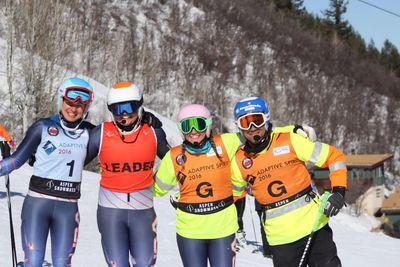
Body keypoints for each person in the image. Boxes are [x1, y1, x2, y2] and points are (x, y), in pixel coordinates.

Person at [152, 104, 312, 267]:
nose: (193, 131)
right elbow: (155, 189)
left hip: (223, 230)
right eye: (187, 126)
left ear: (207, 125)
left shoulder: (225, 143)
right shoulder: (174, 156)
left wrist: (292, 129)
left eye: (198, 124)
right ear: (181, 129)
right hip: (189, 231)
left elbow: (255, 132)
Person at [231, 97, 347, 267]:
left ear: (266, 118)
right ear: (238, 126)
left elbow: (334, 157)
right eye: (245, 123)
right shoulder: (238, 161)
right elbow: (233, 196)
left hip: (314, 227)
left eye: (257, 120)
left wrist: (338, 191)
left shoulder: (290, 141)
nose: (252, 128)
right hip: (281, 239)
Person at [0, 77, 95, 267]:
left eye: (80, 105)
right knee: (33, 261)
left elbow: (120, 136)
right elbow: (16, 160)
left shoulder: (91, 133)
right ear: (61, 100)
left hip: (68, 209)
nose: (73, 108)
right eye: (69, 102)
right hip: (37, 205)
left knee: (62, 263)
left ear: (85, 108)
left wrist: (146, 122)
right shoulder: (43, 127)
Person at [85, 81, 170, 267]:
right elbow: (75, 160)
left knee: (145, 263)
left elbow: (178, 161)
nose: (124, 113)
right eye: (117, 109)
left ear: (140, 104)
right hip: (110, 213)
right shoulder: (100, 134)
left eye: (130, 106)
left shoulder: (154, 132)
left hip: (143, 211)